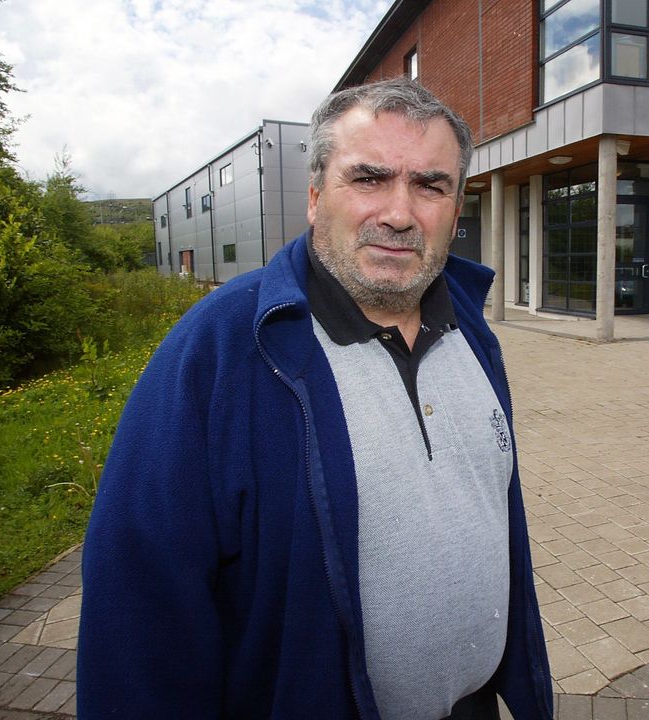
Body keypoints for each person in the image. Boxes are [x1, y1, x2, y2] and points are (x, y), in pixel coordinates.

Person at [77, 76, 552, 720]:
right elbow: (140, 607)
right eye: (368, 178)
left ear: (456, 208)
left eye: (430, 185)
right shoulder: (221, 348)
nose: (398, 213)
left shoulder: (472, 329)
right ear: (313, 196)